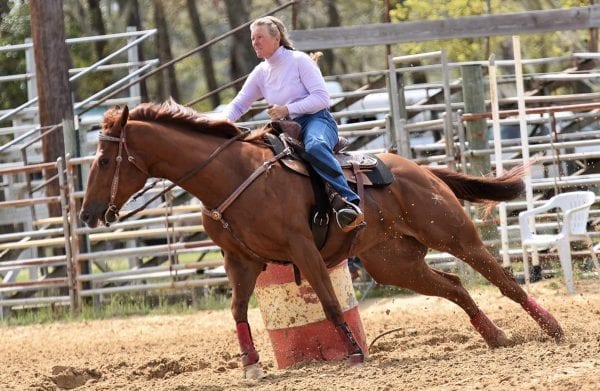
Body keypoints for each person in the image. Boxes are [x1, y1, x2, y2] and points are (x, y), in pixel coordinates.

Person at [223, 16, 364, 232]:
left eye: (260, 37)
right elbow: (238, 104)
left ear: (276, 37)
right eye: (252, 39)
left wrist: (287, 109)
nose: (255, 43)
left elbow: (322, 98)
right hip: (285, 128)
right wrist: (217, 125)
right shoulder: (260, 72)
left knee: (315, 146)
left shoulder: (299, 60)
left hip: (317, 120)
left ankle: (349, 202)